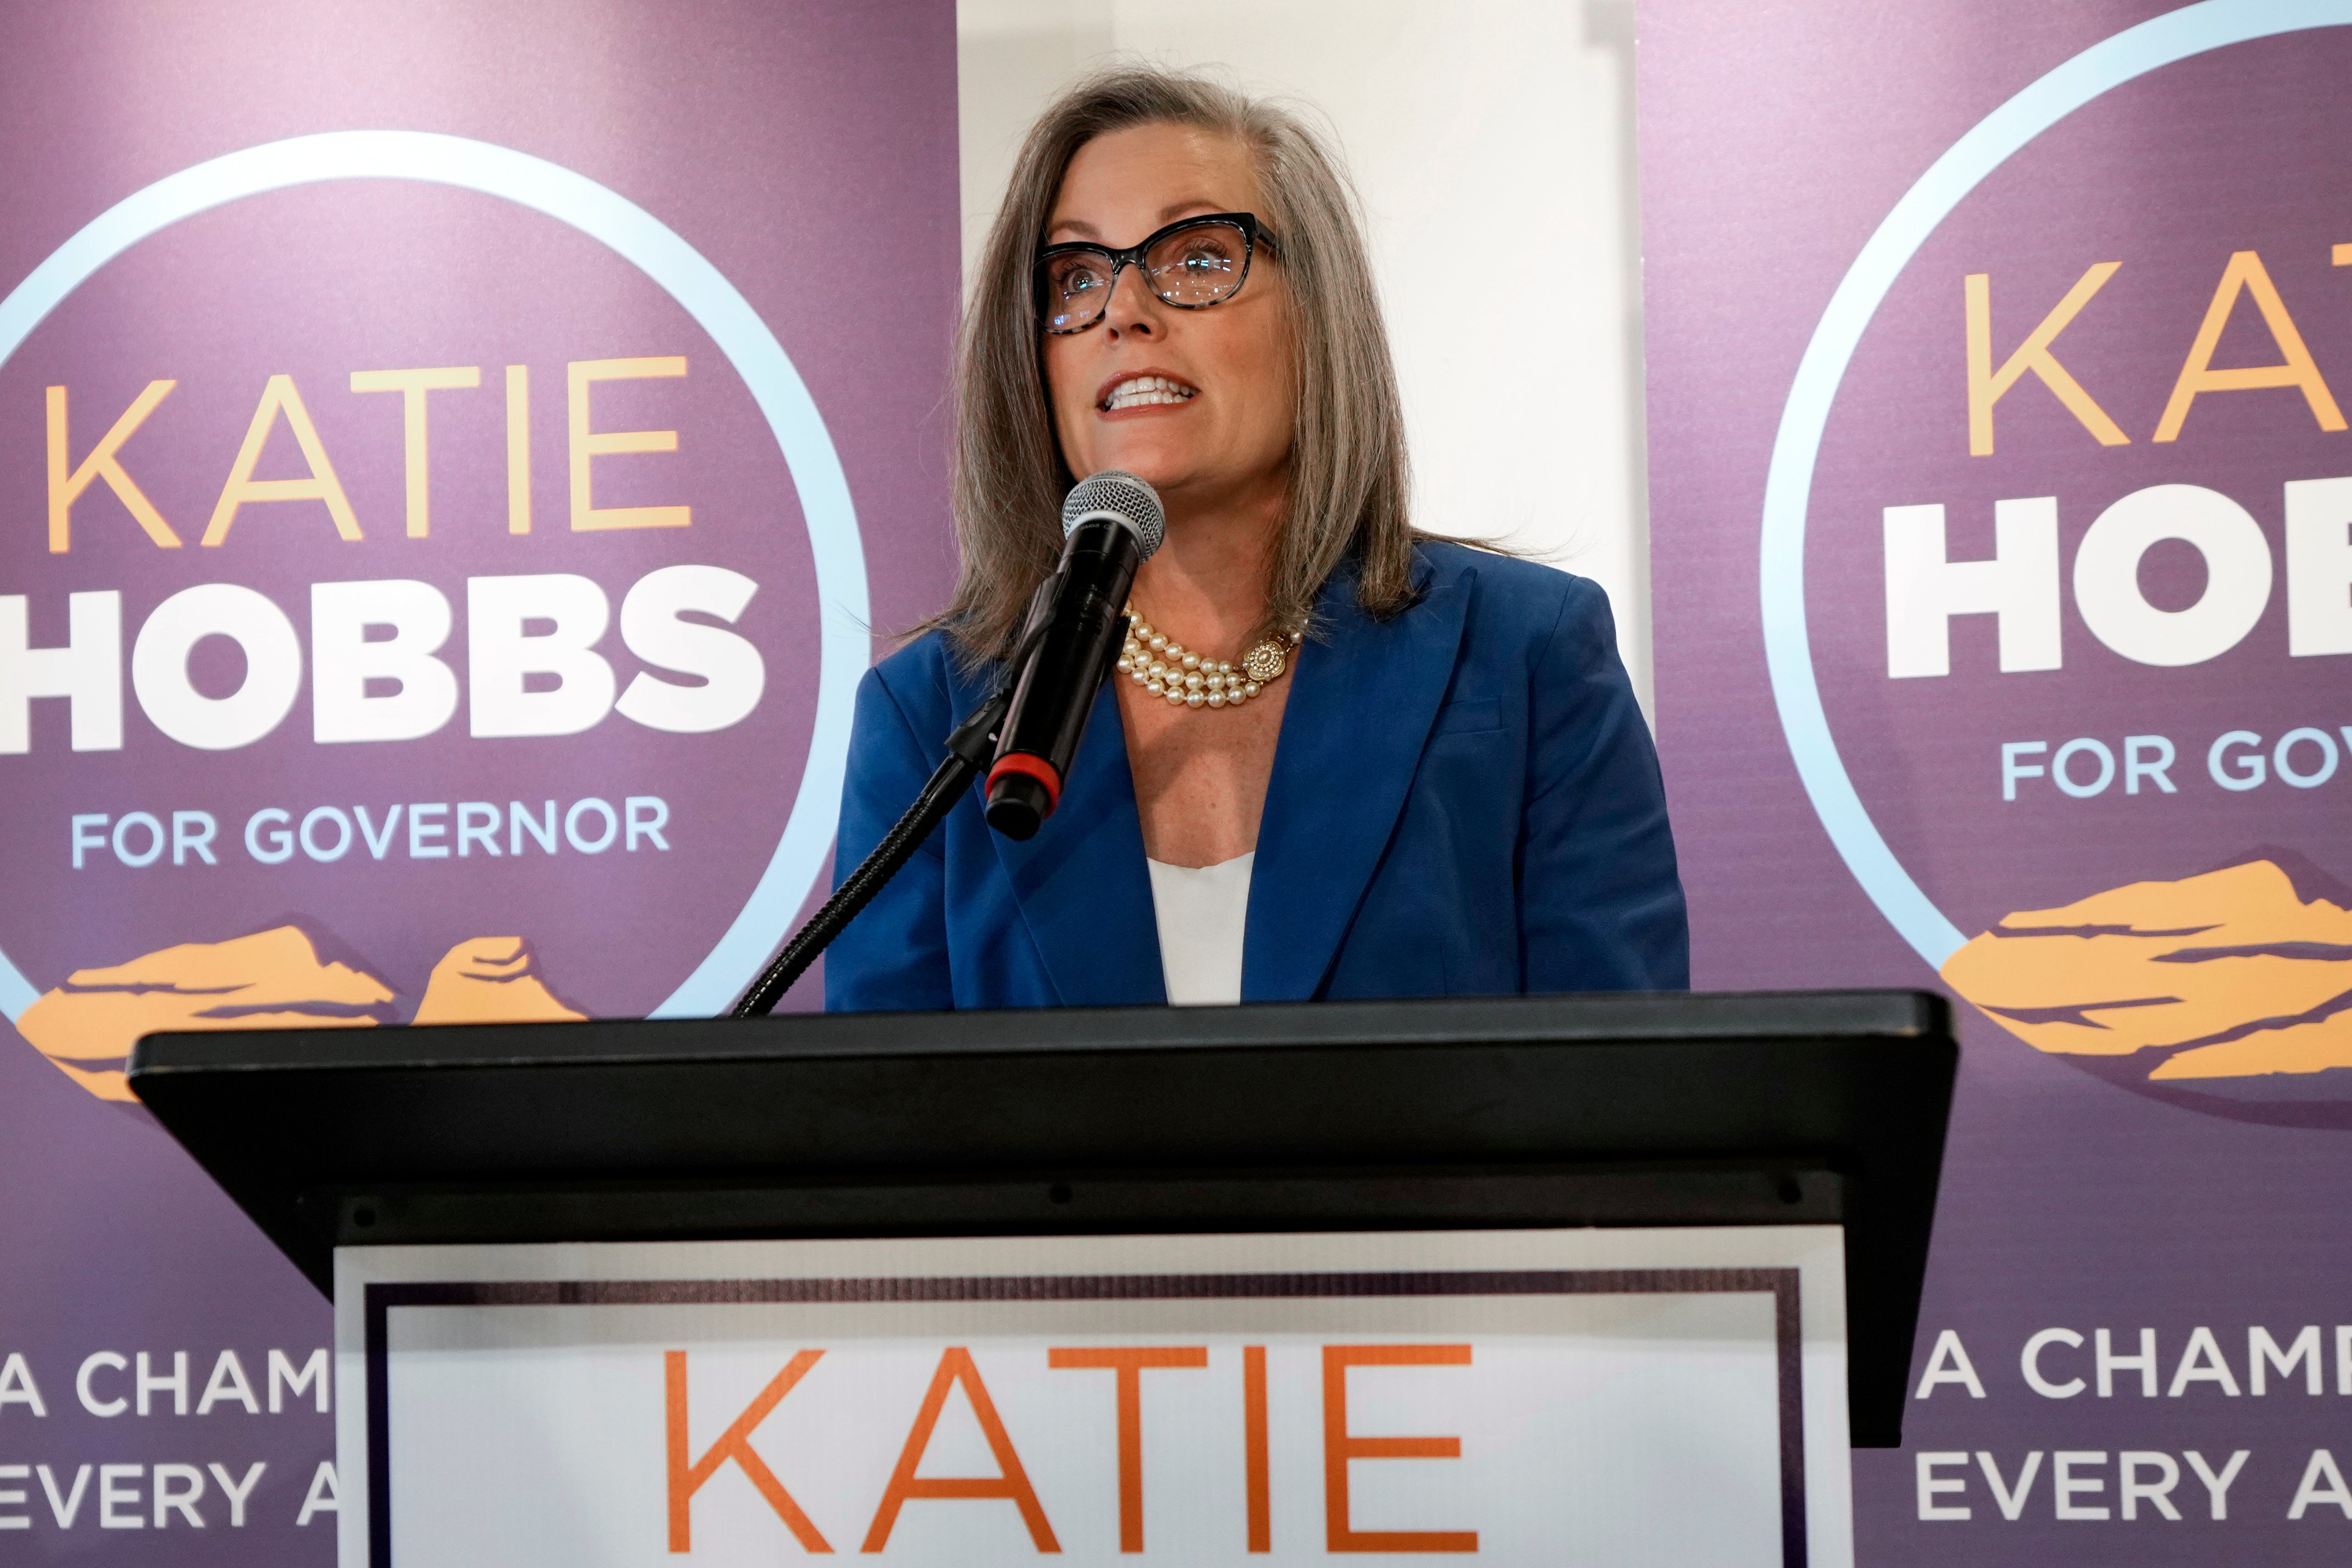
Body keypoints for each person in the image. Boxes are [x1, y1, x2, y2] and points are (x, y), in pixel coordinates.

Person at [826, 66, 1685, 1010]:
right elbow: (880, 1127)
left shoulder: (1526, 654)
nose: (1122, 310)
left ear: (1319, 316)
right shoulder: (927, 716)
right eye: (1074, 276)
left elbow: (1622, 1096)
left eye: (1195, 258)